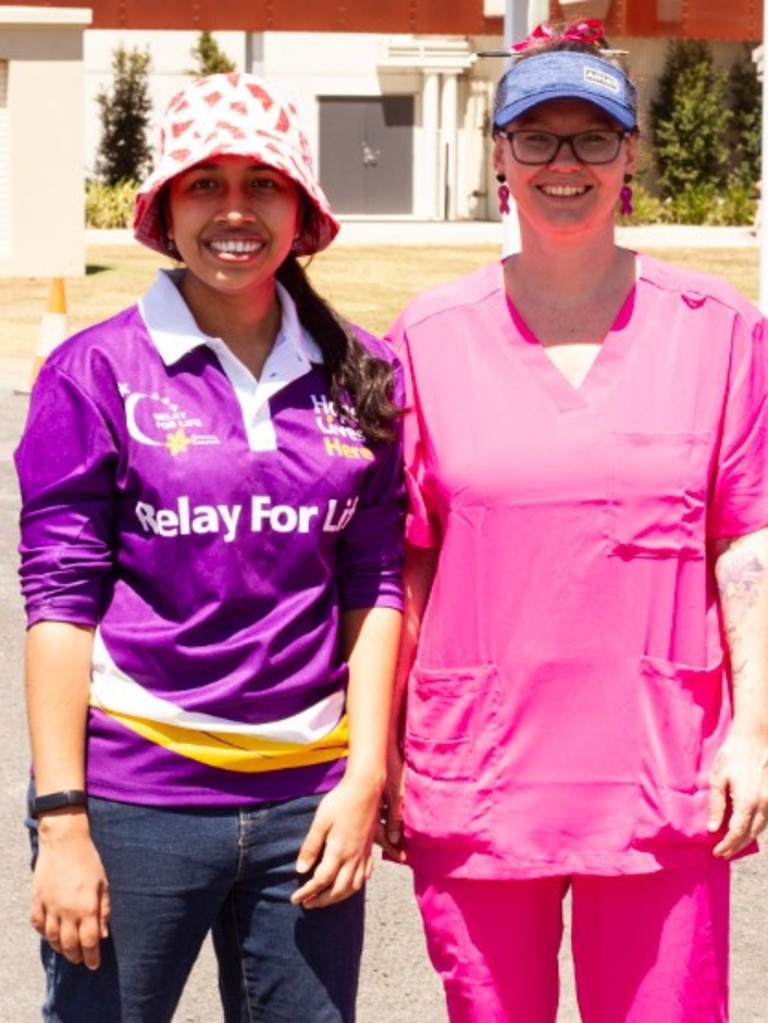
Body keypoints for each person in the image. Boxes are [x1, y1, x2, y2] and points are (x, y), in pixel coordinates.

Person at [380, 19, 768, 1023]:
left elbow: (747, 548)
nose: (565, 163)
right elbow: (400, 567)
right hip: (481, 774)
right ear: (499, 154)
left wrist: (755, 736)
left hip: (660, 772)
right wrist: (375, 749)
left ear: (629, 153)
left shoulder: (718, 334)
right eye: (536, 137)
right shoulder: (426, 339)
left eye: (592, 136)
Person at [15, 71, 404, 1023]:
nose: (236, 209)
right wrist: (62, 823)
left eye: (262, 183)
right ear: (166, 207)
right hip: (134, 801)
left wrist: (365, 777)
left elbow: (376, 583)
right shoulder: (94, 371)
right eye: (206, 183)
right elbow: (59, 603)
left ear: (303, 210)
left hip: (306, 808)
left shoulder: (363, 371)